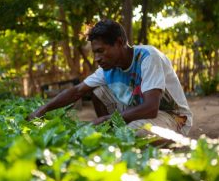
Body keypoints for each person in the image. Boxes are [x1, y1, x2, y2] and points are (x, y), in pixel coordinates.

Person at [28, 19, 193, 137]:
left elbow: (151, 108)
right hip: (139, 112)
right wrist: (42, 110)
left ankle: (122, 133)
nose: (97, 58)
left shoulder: (148, 57)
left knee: (134, 133)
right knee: (97, 90)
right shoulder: (108, 68)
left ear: (119, 43)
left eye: (101, 51)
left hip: (173, 116)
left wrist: (106, 119)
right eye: (95, 53)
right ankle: (112, 131)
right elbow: (77, 91)